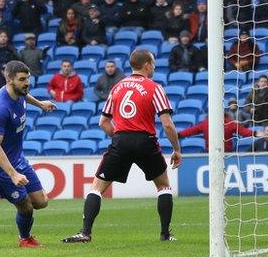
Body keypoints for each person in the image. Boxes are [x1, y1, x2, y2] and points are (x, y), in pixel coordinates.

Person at [61, 49, 182, 243]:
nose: (154, 66)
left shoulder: (117, 87)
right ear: (147, 65)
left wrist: (119, 137)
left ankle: (85, 232)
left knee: (97, 188)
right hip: (146, 141)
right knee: (163, 186)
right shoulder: (154, 87)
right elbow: (167, 123)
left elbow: (103, 122)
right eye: (153, 63)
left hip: (121, 140)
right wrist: (176, 149)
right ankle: (165, 234)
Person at [0, 60, 56, 247]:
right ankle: (25, 239)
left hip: (16, 158)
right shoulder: (0, 108)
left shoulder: (19, 91)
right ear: (9, 80)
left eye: (28, 78)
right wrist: (12, 174)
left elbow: (24, 96)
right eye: (22, 79)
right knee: (26, 206)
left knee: (41, 202)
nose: (27, 83)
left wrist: (40, 104)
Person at [178, 113, 263, 152]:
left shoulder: (229, 123)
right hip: (209, 152)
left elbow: (242, 131)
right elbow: (192, 130)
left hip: (226, 152)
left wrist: (255, 133)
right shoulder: (206, 123)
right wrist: (179, 135)